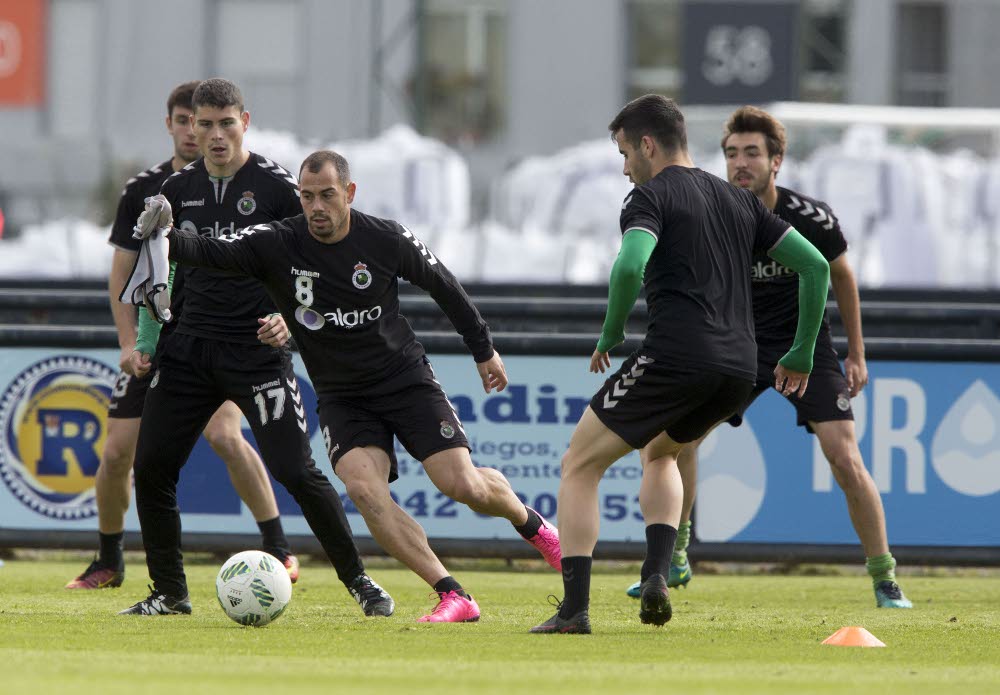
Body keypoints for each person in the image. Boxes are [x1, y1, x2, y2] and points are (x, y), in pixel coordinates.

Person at [135, 148, 563, 623]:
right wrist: (167, 234)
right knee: (363, 488)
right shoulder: (277, 241)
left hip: (403, 380)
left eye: (327, 196)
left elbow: (443, 284)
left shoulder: (385, 238)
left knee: (461, 484)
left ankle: (535, 528)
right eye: (307, 196)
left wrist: (483, 349)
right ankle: (452, 593)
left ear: (349, 193)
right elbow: (212, 252)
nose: (316, 207)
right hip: (342, 396)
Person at [529, 95, 831, 634]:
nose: (624, 167)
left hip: (676, 357)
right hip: (739, 368)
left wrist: (613, 330)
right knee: (663, 452)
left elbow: (629, 267)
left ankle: (574, 610)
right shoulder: (739, 201)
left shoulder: (648, 197)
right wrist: (801, 350)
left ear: (647, 144)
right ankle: (656, 574)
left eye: (624, 153)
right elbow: (814, 266)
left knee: (579, 465)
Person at [118, 79, 393, 618]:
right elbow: (157, 271)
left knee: (296, 470)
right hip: (188, 350)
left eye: (227, 123)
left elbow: (314, 260)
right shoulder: (174, 192)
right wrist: (146, 343)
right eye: (205, 124)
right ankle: (170, 593)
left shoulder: (276, 187)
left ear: (245, 122)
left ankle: (359, 581)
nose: (216, 135)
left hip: (256, 353)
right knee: (151, 467)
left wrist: (287, 320)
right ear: (189, 127)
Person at [625, 106, 911, 608]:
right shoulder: (713, 206)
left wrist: (856, 353)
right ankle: (675, 557)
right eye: (732, 153)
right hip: (739, 345)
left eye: (752, 153)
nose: (740, 163)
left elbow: (838, 275)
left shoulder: (810, 217)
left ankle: (885, 577)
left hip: (807, 347)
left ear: (776, 161)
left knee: (844, 457)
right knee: (676, 444)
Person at [66, 81, 300, 590]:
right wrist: (131, 345)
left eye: (222, 123)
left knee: (223, 434)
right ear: (177, 124)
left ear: (237, 124)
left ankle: (278, 547)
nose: (205, 133)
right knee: (116, 452)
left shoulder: (255, 183)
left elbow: (295, 260)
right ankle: (109, 559)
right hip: (160, 340)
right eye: (192, 121)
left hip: (216, 339)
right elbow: (124, 278)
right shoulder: (147, 191)